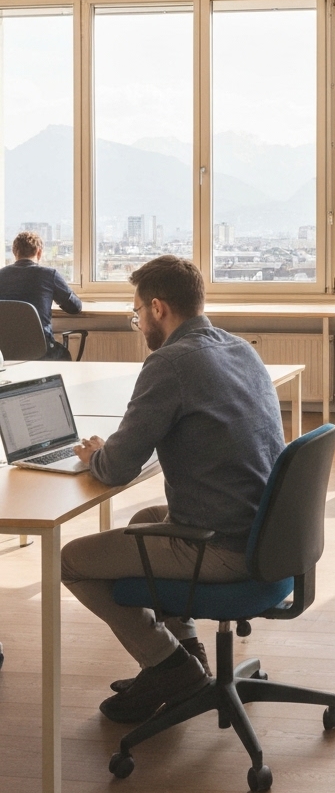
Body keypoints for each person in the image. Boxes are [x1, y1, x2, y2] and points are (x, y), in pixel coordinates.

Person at [61, 255, 286, 724]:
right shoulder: (238, 347)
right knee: (146, 521)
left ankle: (168, 668)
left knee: (68, 560)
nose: (138, 322)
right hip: (271, 536)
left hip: (225, 547)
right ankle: (190, 656)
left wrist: (95, 455)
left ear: (159, 308)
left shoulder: (171, 363)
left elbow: (118, 467)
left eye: (137, 312)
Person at [0, 230, 82, 359]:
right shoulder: (49, 275)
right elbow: (75, 308)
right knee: (63, 354)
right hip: (42, 351)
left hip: (5, 351)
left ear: (15, 252)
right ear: (39, 252)